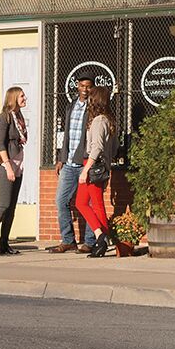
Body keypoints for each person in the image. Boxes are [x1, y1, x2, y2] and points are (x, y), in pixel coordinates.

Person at [49, 75, 97, 254]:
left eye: (89, 86)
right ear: (77, 86)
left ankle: (90, 241)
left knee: (87, 203)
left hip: (85, 163)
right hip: (68, 164)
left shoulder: (94, 109)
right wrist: (61, 158)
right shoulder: (71, 106)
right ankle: (68, 240)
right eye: (82, 85)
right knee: (61, 201)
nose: (85, 89)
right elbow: (66, 134)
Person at [0, 87, 28, 256]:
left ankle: (4, 244)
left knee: (11, 207)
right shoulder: (4, 118)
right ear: (14, 97)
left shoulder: (18, 117)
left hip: (18, 165)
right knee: (4, 204)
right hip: (5, 165)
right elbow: (1, 145)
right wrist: (8, 167)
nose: (25, 98)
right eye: (22, 96)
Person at [75, 87, 118, 258]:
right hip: (99, 165)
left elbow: (97, 147)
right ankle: (101, 236)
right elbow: (113, 148)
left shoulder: (99, 121)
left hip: (93, 165)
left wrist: (85, 170)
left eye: (91, 97)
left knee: (94, 203)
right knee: (83, 202)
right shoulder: (108, 119)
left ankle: (102, 238)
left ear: (96, 100)